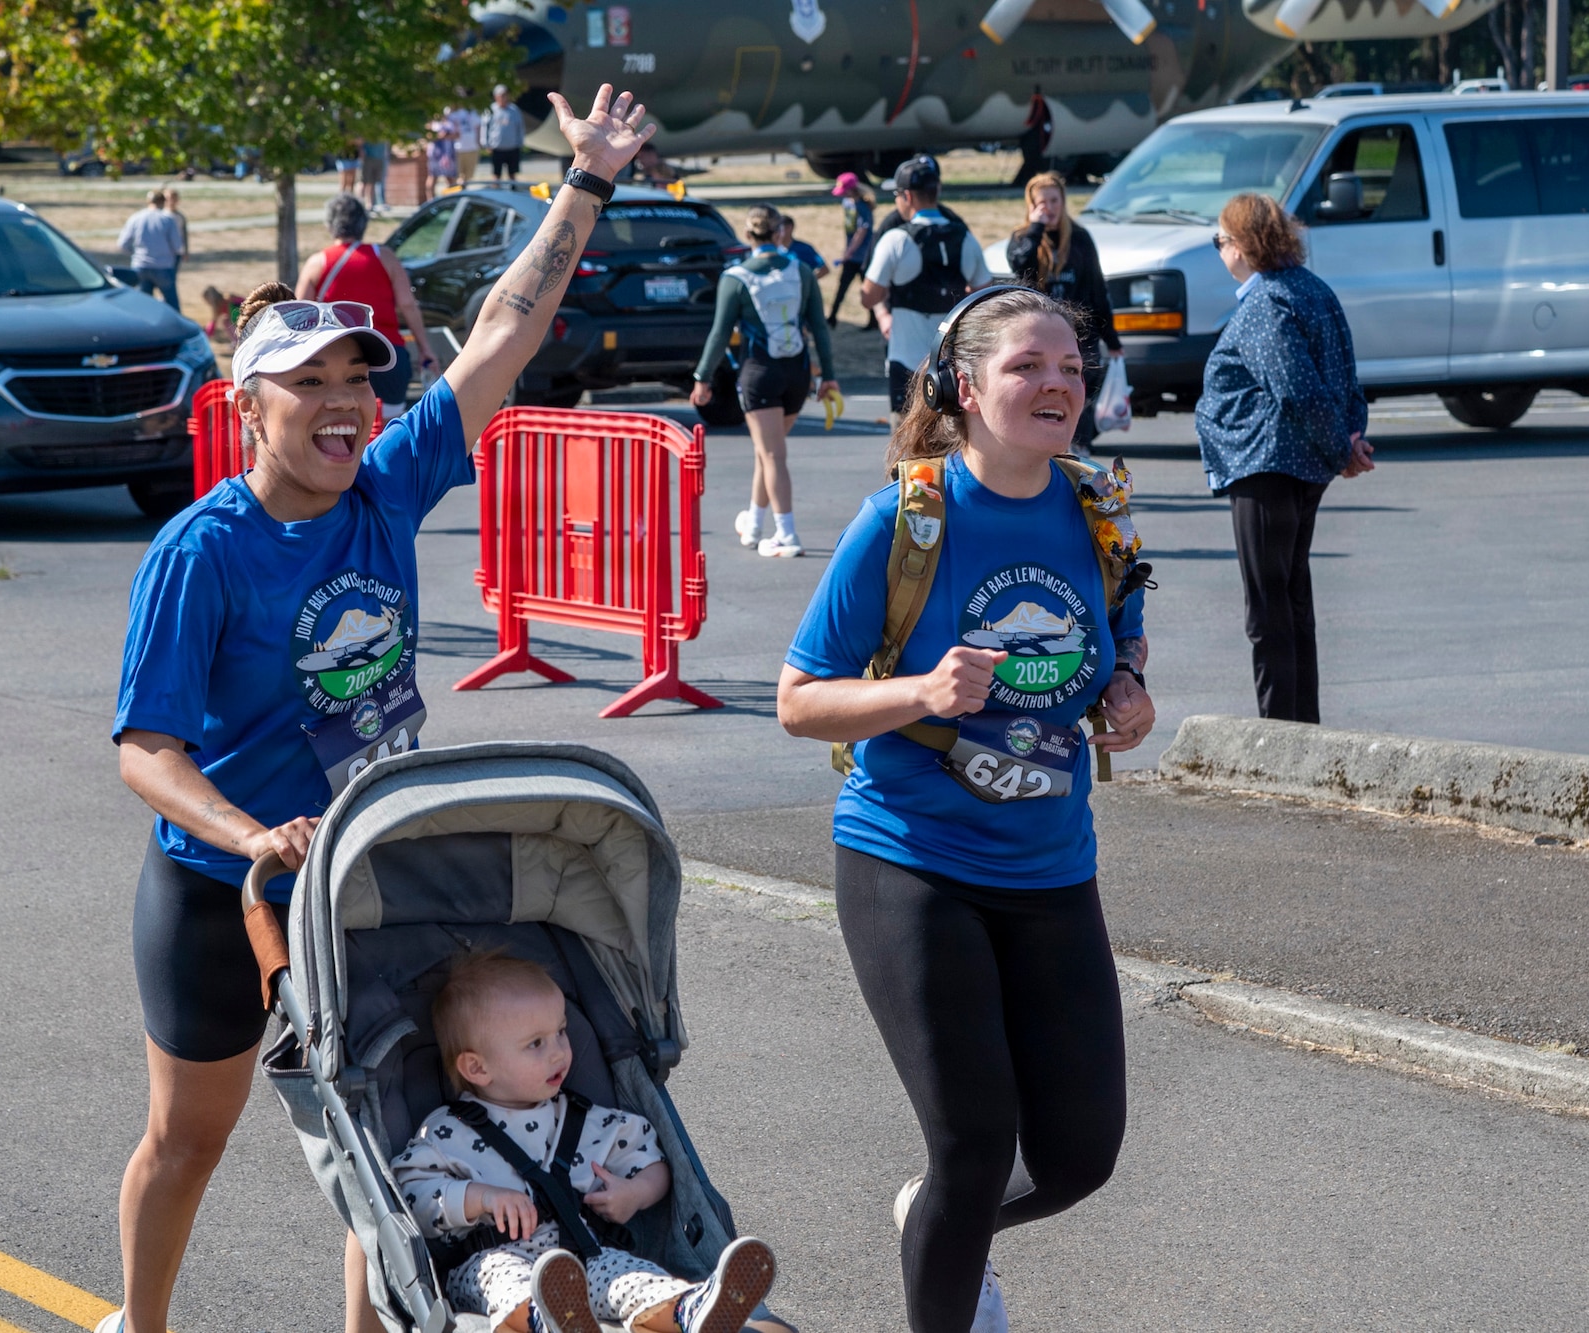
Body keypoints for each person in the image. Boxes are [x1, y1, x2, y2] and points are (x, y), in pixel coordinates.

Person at [102, 84, 659, 1333]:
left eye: (356, 376)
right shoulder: (204, 552)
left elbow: (505, 332)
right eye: (307, 383)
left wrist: (586, 180)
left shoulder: (382, 489)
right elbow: (146, 748)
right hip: (223, 887)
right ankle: (140, 1324)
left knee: (380, 1129)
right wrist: (250, 835)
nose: (343, 401)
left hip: (359, 872)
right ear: (250, 405)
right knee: (187, 1139)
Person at [777, 285, 1154, 1333]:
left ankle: (940, 1221)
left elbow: (1116, 634)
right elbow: (798, 698)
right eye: (1029, 366)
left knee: (1080, 1157)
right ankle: (949, 1242)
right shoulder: (905, 516)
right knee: (973, 1147)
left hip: (1048, 865)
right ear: (964, 387)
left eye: (1072, 367)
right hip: (910, 858)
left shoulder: (1097, 503)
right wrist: (918, 695)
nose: (1058, 384)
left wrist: (1125, 687)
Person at [391, 953, 777, 1333]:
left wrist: (635, 1192)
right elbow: (409, 1196)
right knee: (504, 1278)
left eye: (561, 1031)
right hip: (488, 1260)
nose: (560, 1050)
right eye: (536, 1044)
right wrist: (479, 1197)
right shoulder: (448, 1131)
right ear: (478, 1068)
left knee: (632, 1275)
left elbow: (651, 1159)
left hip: (585, 1259)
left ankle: (690, 1310)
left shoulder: (581, 1119)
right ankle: (546, 1319)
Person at [1196, 193, 1374, 725]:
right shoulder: (1311, 288)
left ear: (1245, 247)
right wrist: (1348, 439)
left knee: (1268, 607)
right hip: (1297, 464)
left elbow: (1297, 389)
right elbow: (1345, 376)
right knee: (1291, 599)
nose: (1219, 250)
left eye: (1221, 241)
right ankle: (1301, 727)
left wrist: (1343, 447)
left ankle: (1281, 733)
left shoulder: (1266, 303)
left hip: (1267, 465)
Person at [691, 206, 839, 559]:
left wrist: (702, 377)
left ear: (748, 236)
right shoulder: (801, 271)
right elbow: (819, 327)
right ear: (779, 233)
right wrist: (829, 375)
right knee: (766, 450)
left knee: (772, 454)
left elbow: (720, 333)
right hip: (797, 374)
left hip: (760, 372)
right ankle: (754, 524)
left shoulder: (736, 277)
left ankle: (786, 533)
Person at [861, 157, 991, 423]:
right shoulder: (964, 237)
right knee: (950, 444)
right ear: (937, 190)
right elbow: (984, 295)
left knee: (907, 448)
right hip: (950, 363)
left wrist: (883, 310)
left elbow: (868, 296)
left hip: (906, 362)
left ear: (907, 196)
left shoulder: (896, 239)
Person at [296, 192, 440, 421]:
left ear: (329, 225)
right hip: (387, 353)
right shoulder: (385, 257)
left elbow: (301, 315)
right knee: (390, 425)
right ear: (363, 224)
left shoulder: (317, 263)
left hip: (335, 356)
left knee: (341, 423)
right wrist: (425, 348)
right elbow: (407, 305)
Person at [1006, 171, 1121, 454]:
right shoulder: (1024, 237)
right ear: (1031, 205)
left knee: (1077, 395)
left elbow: (1097, 290)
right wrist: (1035, 229)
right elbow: (1020, 267)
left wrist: (1113, 340)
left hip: (1080, 337)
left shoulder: (1080, 238)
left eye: (1054, 201)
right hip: (1038, 335)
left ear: (1063, 202)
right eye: (1041, 202)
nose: (1049, 208)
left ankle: (1079, 454)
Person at [116, 189, 185, 311]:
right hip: (163, 267)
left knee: (144, 307)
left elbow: (122, 244)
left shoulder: (135, 218)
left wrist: (137, 253)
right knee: (172, 305)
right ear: (163, 202)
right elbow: (178, 246)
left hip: (140, 266)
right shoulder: (167, 219)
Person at [826, 172, 874, 329]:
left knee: (867, 290)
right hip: (852, 255)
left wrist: (849, 252)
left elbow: (862, 232)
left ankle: (873, 321)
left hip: (862, 256)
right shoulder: (847, 203)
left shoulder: (863, 207)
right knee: (842, 286)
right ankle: (832, 317)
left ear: (852, 190)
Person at [1014, 86, 1053, 187]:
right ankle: (1021, 182)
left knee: (1032, 164)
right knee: (1031, 163)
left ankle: (1022, 182)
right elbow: (1033, 119)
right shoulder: (1038, 101)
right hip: (1034, 139)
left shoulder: (1038, 101)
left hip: (1036, 139)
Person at [487, 85, 526, 182]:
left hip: (512, 147)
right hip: (497, 147)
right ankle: (496, 192)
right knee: (496, 174)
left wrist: (520, 142)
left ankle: (513, 192)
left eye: (505, 95)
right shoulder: (491, 110)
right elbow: (485, 127)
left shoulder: (514, 110)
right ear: (496, 96)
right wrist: (486, 143)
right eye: (501, 95)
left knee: (512, 174)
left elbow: (520, 127)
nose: (503, 98)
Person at [449, 103, 483, 184]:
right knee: (458, 176)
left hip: (472, 148)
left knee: (468, 176)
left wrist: (479, 142)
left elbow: (478, 127)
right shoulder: (454, 114)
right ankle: (460, 192)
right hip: (458, 148)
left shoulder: (473, 112)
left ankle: (462, 191)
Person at [427, 115, 460, 196]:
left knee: (450, 178)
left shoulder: (451, 121)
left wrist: (446, 135)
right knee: (433, 176)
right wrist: (440, 135)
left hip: (448, 154)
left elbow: (458, 135)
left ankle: (451, 200)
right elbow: (428, 136)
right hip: (436, 154)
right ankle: (431, 201)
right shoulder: (432, 121)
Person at [161, 187, 190, 267]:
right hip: (163, 252)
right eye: (168, 198)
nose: (171, 201)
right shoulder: (160, 215)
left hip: (176, 251)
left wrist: (186, 251)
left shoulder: (180, 217)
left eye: (173, 198)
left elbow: (184, 235)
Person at [360, 137, 390, 209]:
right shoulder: (368, 129)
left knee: (373, 183)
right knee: (364, 182)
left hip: (379, 158)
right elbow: (361, 142)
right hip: (368, 158)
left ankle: (370, 204)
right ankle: (360, 203)